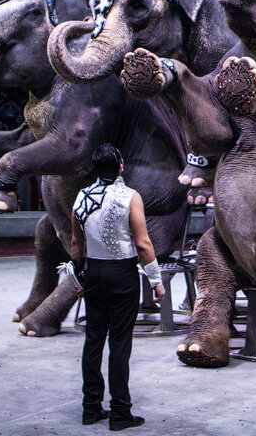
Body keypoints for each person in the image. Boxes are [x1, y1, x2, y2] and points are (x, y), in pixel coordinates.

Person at [69, 144, 165, 430]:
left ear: (96, 169)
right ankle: (120, 412)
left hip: (94, 273)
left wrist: (79, 277)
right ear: (121, 165)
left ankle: (90, 409)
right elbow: (143, 243)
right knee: (120, 344)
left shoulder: (81, 196)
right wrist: (157, 283)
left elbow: (76, 244)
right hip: (122, 274)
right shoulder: (130, 197)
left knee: (94, 341)